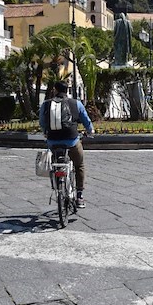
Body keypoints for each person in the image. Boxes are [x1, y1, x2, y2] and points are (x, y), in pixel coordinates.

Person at [39, 81, 94, 209]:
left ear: (55, 90)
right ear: (67, 90)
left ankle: (57, 186)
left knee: (54, 165)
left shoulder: (46, 104)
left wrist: (45, 133)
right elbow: (86, 120)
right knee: (79, 164)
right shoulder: (76, 103)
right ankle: (79, 196)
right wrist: (90, 131)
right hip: (72, 140)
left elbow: (42, 122)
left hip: (52, 142)